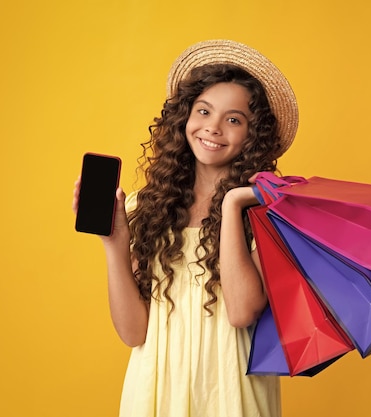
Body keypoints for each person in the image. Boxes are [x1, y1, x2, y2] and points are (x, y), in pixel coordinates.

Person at [73, 39, 299, 417]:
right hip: (155, 393)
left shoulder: (268, 215)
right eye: (204, 111)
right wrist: (115, 243)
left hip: (232, 392)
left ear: (252, 135)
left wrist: (232, 205)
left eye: (233, 119)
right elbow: (133, 333)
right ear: (185, 117)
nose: (213, 128)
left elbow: (242, 312)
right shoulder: (144, 209)